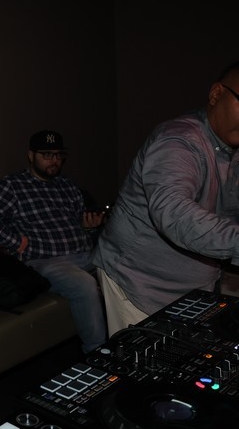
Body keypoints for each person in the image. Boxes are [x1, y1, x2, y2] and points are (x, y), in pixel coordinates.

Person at [94, 61, 239, 335]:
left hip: (193, 286)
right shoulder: (178, 140)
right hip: (139, 283)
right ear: (216, 94)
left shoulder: (232, 148)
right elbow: (173, 212)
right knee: (145, 361)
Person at [0, 130, 107, 354]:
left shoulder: (66, 184)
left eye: (58, 155)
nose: (54, 160)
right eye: (47, 155)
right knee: (84, 285)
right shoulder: (13, 185)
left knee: (122, 264)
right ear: (31, 155)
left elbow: (78, 220)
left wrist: (89, 227)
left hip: (84, 252)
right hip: (46, 260)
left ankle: (136, 340)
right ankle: (97, 353)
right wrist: (15, 242)